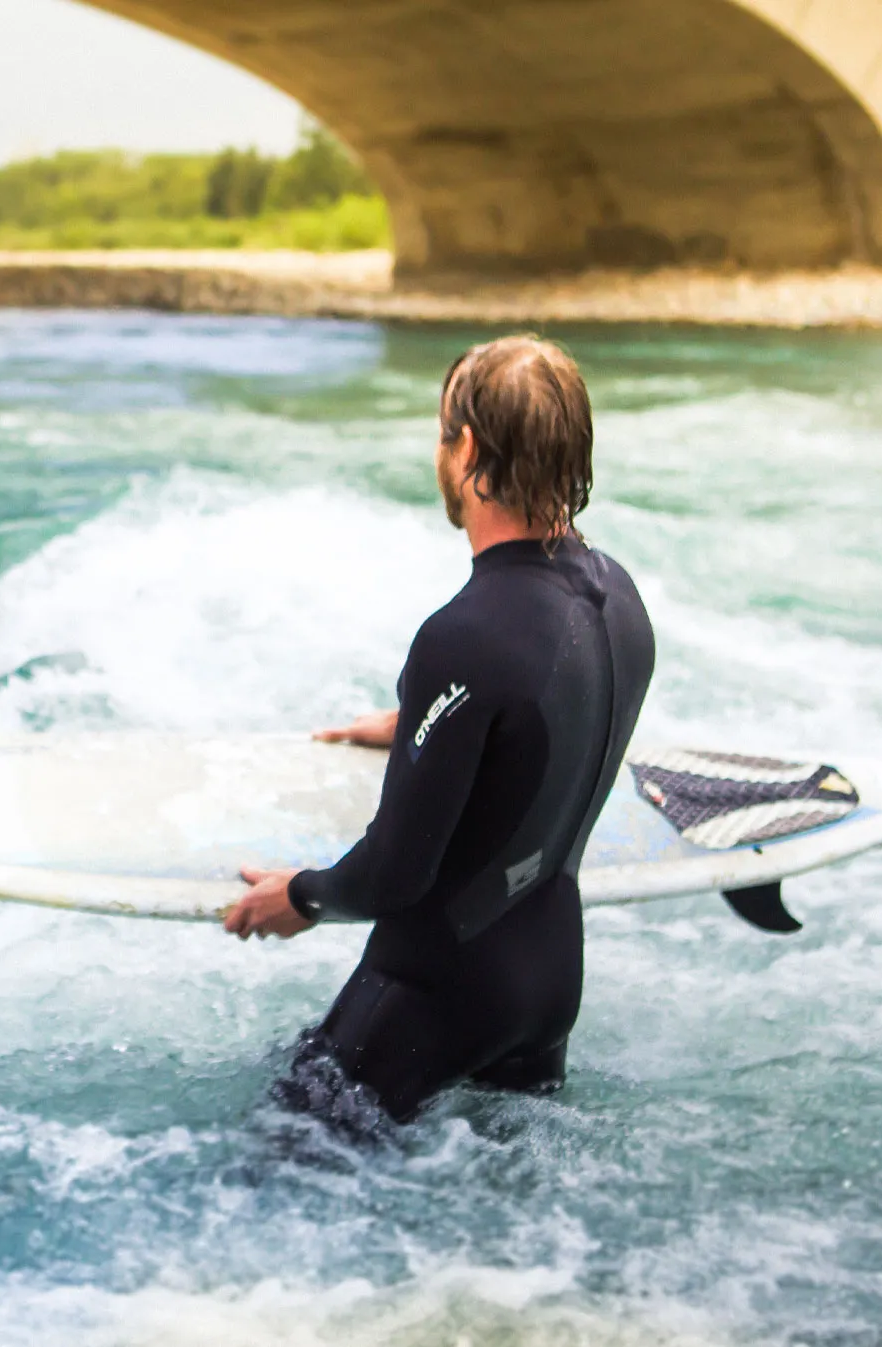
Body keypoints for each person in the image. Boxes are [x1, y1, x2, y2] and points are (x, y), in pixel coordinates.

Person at [223, 335, 656, 1125]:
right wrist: (426, 725)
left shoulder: (466, 635)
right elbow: (546, 717)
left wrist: (302, 895)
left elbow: (395, 873)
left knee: (275, 1179)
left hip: (435, 992)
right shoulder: (618, 599)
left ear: (468, 448)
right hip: (549, 980)